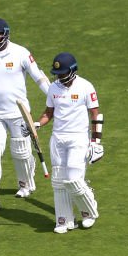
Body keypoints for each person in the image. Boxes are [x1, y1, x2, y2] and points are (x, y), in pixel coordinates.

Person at [0, 17, 51, 212]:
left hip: (18, 112)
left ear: (6, 34)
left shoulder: (20, 53)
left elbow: (38, 77)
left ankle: (26, 183)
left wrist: (54, 98)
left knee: (20, 152)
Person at [36, 52, 103, 234]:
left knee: (73, 179)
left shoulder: (85, 86)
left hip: (78, 137)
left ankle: (88, 212)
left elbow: (96, 114)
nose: (60, 78)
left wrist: (96, 142)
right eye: (57, 74)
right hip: (58, 138)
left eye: (63, 74)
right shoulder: (53, 88)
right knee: (59, 181)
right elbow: (48, 113)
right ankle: (64, 220)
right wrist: (37, 124)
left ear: (73, 71)